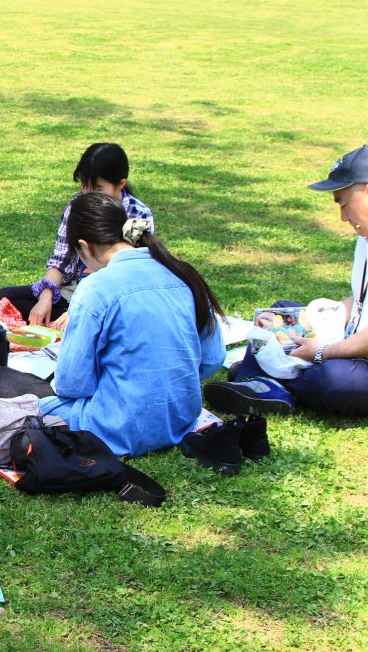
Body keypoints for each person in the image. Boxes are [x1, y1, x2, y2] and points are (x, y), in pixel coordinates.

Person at [206, 145, 368, 420]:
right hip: (362, 344)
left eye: (344, 204)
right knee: (279, 313)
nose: (343, 217)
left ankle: (267, 379)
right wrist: (316, 319)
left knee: (331, 379)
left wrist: (323, 352)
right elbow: (364, 300)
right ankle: (264, 379)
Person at [35, 192, 225, 458]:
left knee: (5, 385)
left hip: (115, 427)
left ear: (84, 247)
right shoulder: (184, 272)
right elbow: (213, 360)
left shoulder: (96, 287)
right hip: (181, 421)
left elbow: (72, 385)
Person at [0, 142, 153, 330]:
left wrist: (83, 308)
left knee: (107, 317)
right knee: (3, 298)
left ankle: (81, 321)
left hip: (112, 294)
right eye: (85, 187)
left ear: (121, 184)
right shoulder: (77, 205)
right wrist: (46, 297)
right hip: (72, 290)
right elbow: (60, 260)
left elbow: (131, 276)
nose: (89, 195)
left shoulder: (138, 214)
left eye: (98, 189)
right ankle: (72, 322)